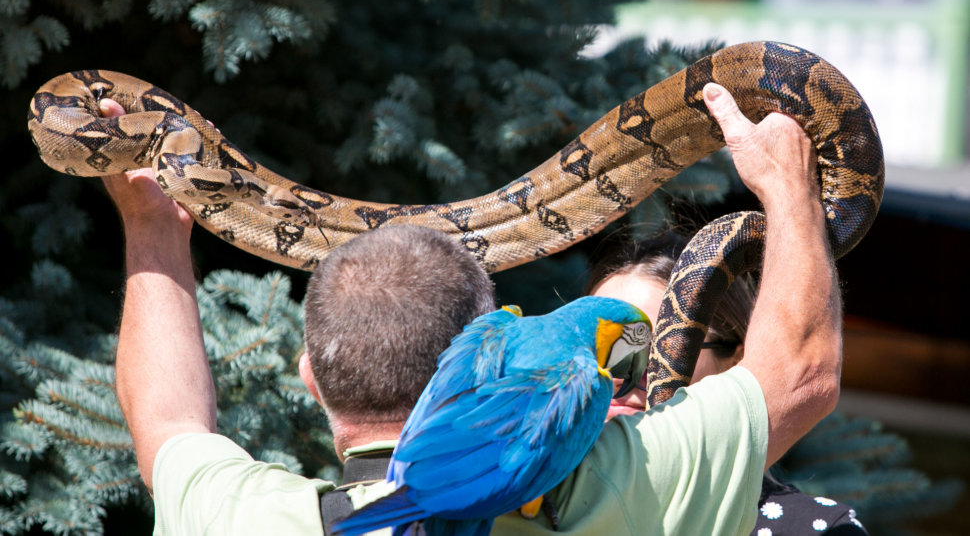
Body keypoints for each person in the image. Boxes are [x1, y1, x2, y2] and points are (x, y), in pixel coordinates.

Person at [102, 80, 844, 535]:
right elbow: (801, 371)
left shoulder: (238, 517)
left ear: (310, 376)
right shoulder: (622, 495)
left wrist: (152, 232)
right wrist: (787, 190)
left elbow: (166, 421)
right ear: (476, 354)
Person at [589, 230, 869, 534]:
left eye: (656, 350)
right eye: (595, 348)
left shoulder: (815, 531)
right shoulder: (536, 504)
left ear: (736, 362)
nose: (615, 376)